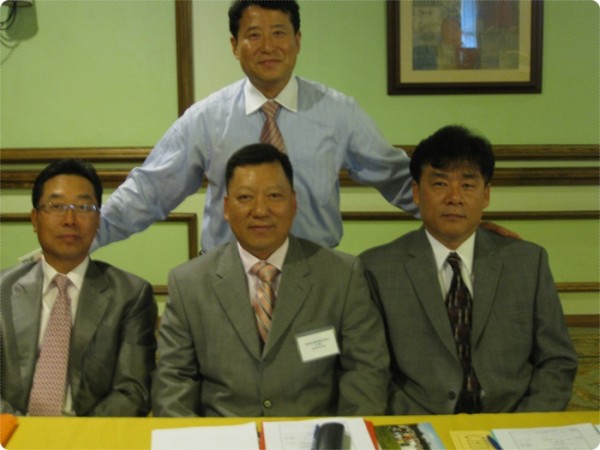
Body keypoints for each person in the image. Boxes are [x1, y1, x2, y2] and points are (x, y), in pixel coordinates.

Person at [94, 0, 419, 253]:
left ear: (297, 41)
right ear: (234, 46)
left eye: (279, 33)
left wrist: (451, 219)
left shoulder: (339, 113)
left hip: (316, 276)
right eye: (253, 35)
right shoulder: (206, 118)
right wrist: (82, 236)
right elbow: (149, 191)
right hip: (226, 279)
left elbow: (400, 179)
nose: (267, 46)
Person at [152, 143, 390, 417]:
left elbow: (365, 371)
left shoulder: (341, 275)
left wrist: (348, 434)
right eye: (245, 197)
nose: (260, 210)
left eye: (274, 196)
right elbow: (173, 380)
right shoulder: (188, 283)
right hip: (224, 434)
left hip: (314, 434)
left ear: (294, 203)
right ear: (227, 208)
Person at [360, 125, 578, 415]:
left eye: (467, 185)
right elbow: (370, 370)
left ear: (486, 194)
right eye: (440, 184)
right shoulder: (376, 268)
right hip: (421, 423)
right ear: (416, 192)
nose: (454, 197)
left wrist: (525, 425)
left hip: (512, 420)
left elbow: (557, 361)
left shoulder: (528, 262)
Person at [0, 159, 157, 417]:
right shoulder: (3, 290)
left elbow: (133, 390)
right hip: (13, 432)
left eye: (84, 207)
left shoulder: (130, 295)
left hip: (91, 433)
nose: (70, 219)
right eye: (56, 206)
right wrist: (24, 431)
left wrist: (76, 435)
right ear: (35, 219)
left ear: (98, 220)